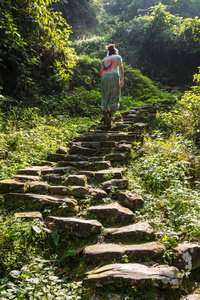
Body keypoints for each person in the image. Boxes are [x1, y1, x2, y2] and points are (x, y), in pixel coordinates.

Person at [100, 44, 124, 128]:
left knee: (106, 96)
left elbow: (101, 72)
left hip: (104, 78)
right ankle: (108, 110)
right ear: (115, 52)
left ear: (108, 52)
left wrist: (103, 80)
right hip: (114, 76)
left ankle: (107, 116)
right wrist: (122, 79)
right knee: (114, 95)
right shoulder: (118, 57)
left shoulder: (104, 59)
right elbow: (120, 67)